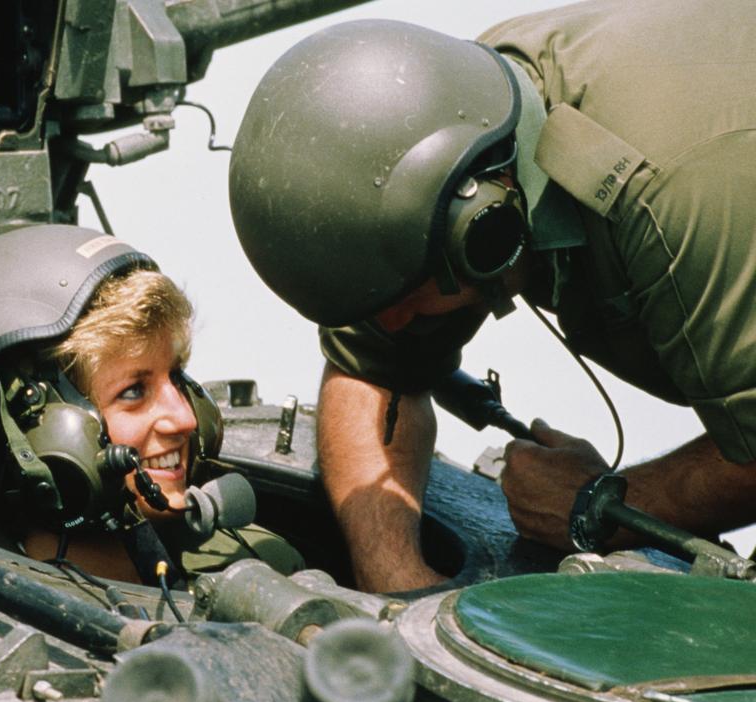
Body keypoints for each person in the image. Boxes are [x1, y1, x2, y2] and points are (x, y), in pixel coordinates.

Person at [228, 0, 756, 592]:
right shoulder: (453, 125)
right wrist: (397, 585)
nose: (394, 324)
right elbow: (371, 376)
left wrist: (601, 505)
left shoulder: (677, 194)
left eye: (404, 295)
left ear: (486, 226)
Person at [0, 224, 303, 585]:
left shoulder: (255, 569)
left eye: (177, 377)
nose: (184, 418)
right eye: (133, 392)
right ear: (31, 429)